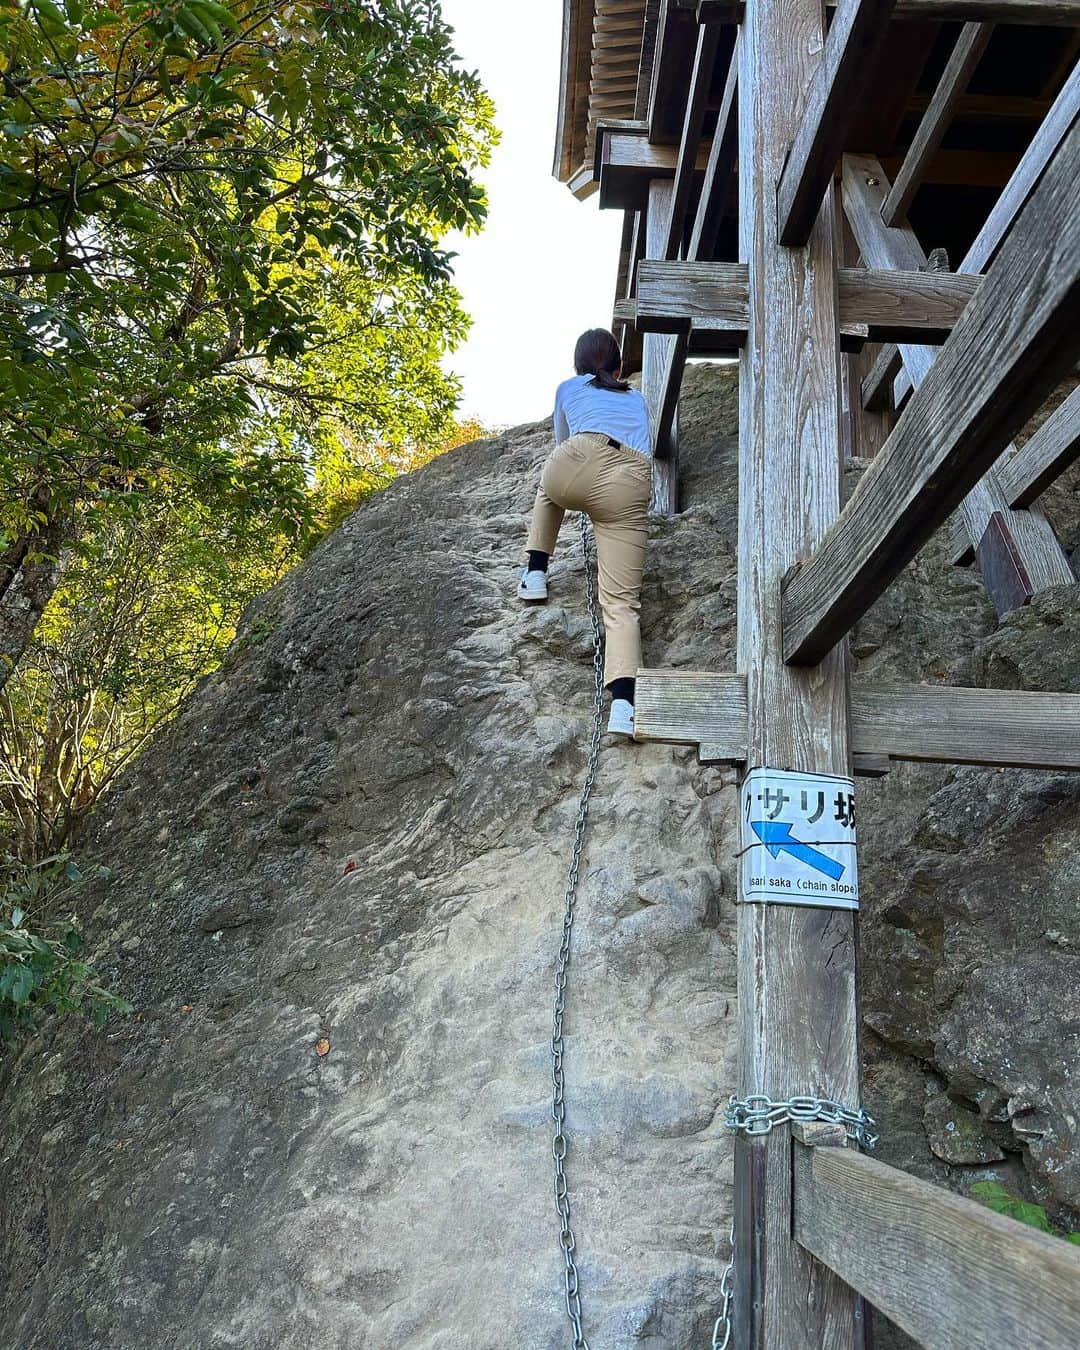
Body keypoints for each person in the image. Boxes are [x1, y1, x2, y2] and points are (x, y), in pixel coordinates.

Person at [517, 328, 652, 737]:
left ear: (578, 364)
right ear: (620, 366)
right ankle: (624, 706)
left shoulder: (569, 387)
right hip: (630, 481)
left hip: (576, 459)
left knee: (549, 488)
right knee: (622, 605)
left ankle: (536, 573)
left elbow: (564, 438)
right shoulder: (637, 398)